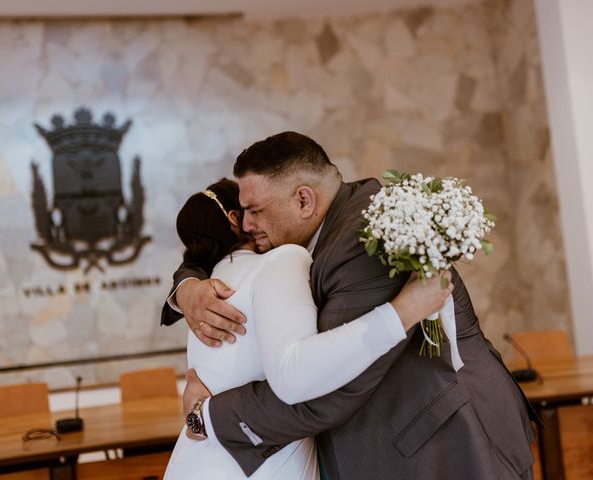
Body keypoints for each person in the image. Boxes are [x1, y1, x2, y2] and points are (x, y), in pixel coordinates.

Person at [163, 132, 538, 479]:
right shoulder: (327, 225)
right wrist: (188, 285)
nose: (245, 225)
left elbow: (326, 390)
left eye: (255, 211)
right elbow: (209, 244)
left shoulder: (364, 242)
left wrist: (211, 416)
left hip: (446, 448)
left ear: (304, 200)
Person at [163, 178, 453, 479]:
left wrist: (202, 418)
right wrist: (401, 313)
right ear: (236, 220)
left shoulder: (206, 287)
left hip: (194, 460)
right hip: (258, 467)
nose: (253, 221)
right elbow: (298, 372)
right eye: (249, 210)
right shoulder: (281, 261)